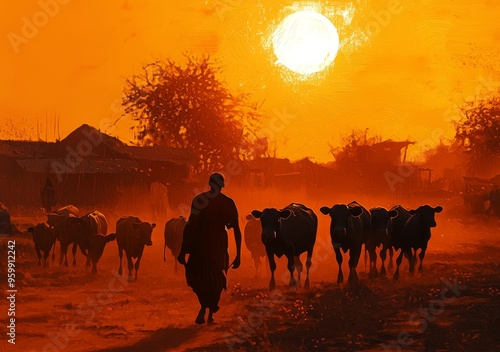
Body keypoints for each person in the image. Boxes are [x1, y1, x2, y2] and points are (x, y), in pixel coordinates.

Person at [177, 172, 241, 324]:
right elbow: (236, 230)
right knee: (216, 279)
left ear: (209, 183)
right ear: (222, 185)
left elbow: (190, 226)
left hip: (201, 245)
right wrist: (238, 254)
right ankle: (209, 310)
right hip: (217, 245)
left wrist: (183, 251)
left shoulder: (200, 200)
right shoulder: (228, 203)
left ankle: (204, 308)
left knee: (199, 278)